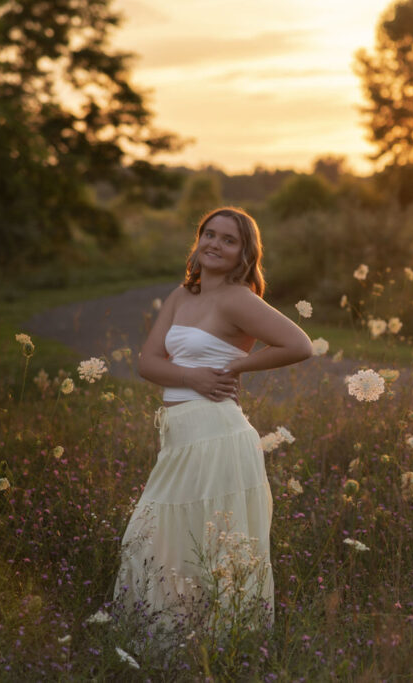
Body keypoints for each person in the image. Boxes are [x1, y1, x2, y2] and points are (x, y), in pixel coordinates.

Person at [113, 206, 312, 631]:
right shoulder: (183, 295)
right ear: (198, 240)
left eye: (228, 239)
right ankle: (166, 648)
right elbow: (148, 362)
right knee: (157, 537)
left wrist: (235, 368)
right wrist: (194, 377)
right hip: (182, 436)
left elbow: (299, 345)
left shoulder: (239, 299)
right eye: (209, 234)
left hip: (218, 436)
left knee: (214, 547)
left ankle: (223, 651)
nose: (214, 244)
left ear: (244, 253)